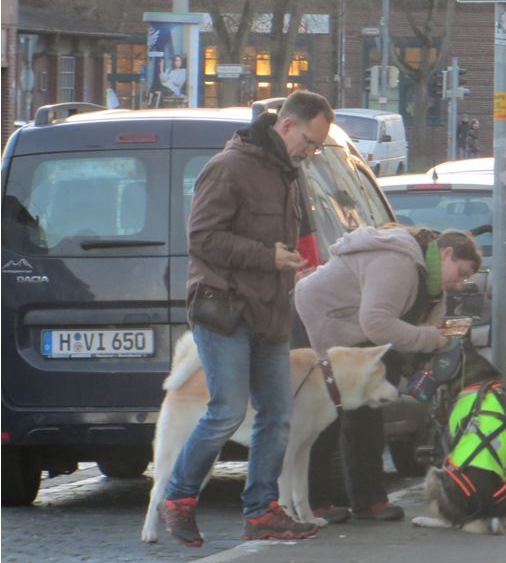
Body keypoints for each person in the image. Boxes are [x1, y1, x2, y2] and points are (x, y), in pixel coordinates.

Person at [157, 90, 334, 547]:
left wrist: (296, 261)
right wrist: (268, 257)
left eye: (318, 147)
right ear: (288, 125)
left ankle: (261, 511)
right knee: (226, 410)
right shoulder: (229, 167)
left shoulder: (289, 174)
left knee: (277, 413)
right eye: (310, 143)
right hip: (225, 308)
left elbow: (287, 239)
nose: (311, 153)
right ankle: (178, 498)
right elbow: (201, 239)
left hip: (270, 309)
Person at [295, 225, 482, 523]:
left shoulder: (434, 288)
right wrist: (432, 339)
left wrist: (432, 351)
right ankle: (314, 502)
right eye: (460, 273)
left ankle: (368, 502)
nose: (460, 284)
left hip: (356, 338)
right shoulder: (398, 262)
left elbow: (423, 328)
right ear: (445, 254)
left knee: (367, 413)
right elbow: (377, 322)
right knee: (324, 416)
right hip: (317, 324)